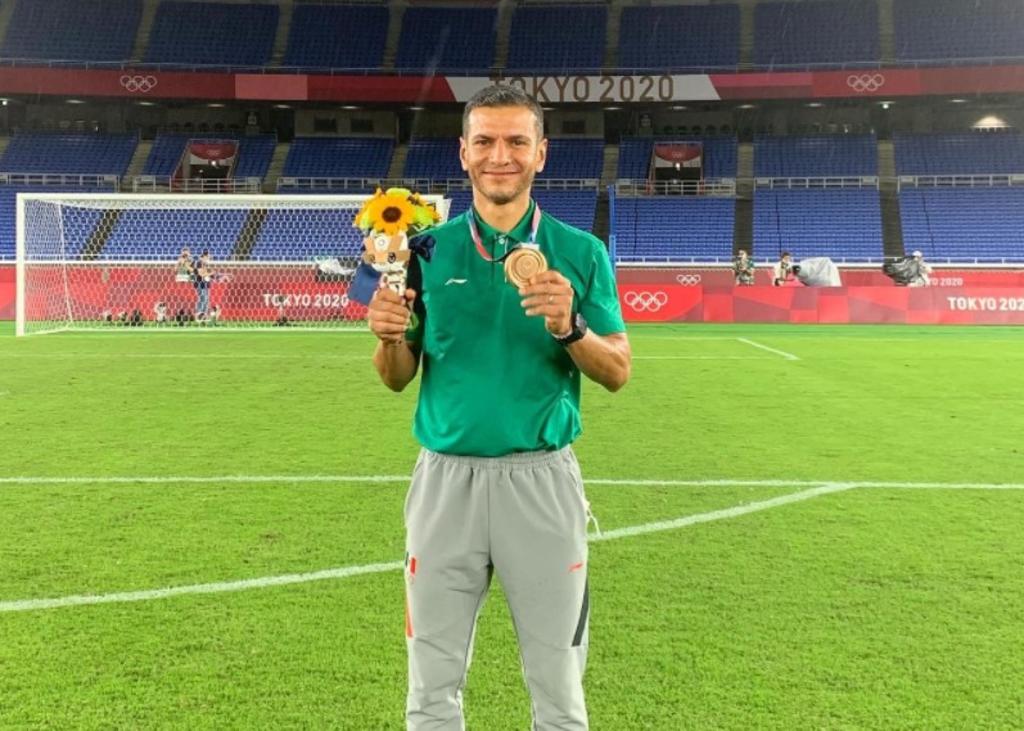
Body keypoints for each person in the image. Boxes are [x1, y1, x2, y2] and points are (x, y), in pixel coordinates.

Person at [367, 84, 631, 731]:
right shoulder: (425, 251)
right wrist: (388, 338)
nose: (500, 156)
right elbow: (397, 378)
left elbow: (617, 371)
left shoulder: (581, 252)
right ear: (463, 152)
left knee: (558, 687)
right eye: (484, 141)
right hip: (445, 483)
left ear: (541, 152)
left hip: (540, 482)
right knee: (431, 685)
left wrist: (570, 327)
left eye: (517, 141)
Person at [192, 250, 212, 320]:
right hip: (199, 284)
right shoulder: (199, 263)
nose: (208, 258)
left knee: (206, 300)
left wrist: (209, 274)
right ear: (203, 257)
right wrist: (210, 273)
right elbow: (201, 274)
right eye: (207, 257)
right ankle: (198, 314)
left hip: (206, 284)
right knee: (202, 299)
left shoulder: (206, 264)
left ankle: (204, 315)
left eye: (208, 257)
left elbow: (207, 274)